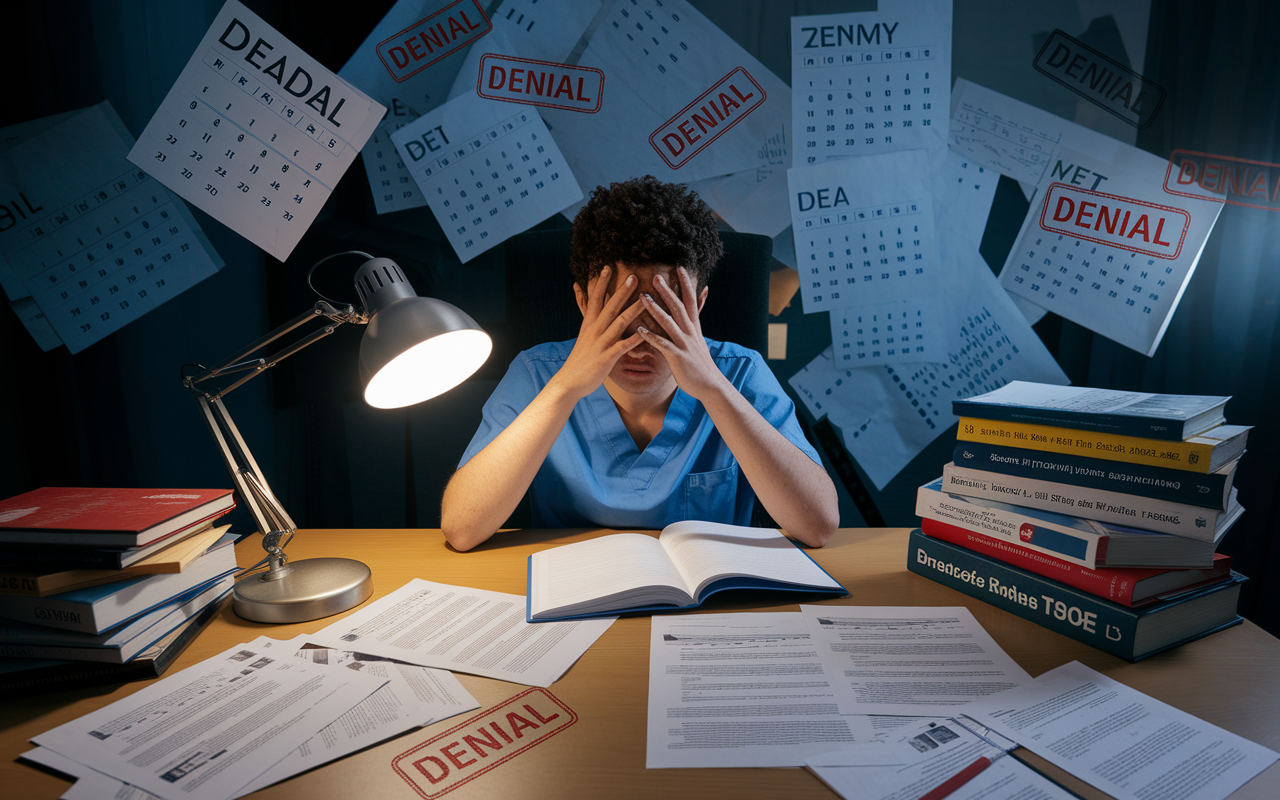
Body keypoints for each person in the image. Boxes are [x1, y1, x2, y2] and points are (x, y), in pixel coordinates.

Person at [441, 176, 838, 551]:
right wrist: (565, 388)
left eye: (664, 314)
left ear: (697, 305)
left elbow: (818, 525)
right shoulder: (537, 372)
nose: (640, 344)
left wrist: (713, 388)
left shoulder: (740, 372)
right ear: (584, 302)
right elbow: (461, 529)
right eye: (621, 314)